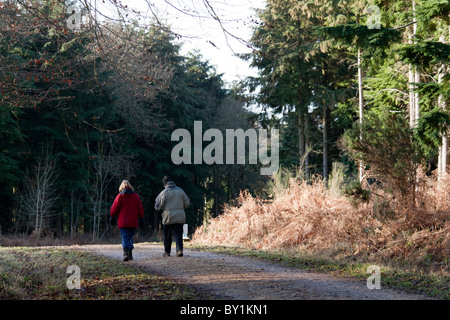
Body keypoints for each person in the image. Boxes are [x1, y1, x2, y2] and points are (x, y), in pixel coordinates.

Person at [154, 176, 190, 257]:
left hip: (168, 216)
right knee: (178, 234)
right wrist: (181, 208)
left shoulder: (164, 192)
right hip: (179, 216)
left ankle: (167, 252)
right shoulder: (181, 191)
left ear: (165, 184)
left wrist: (160, 209)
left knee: (167, 234)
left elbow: (158, 205)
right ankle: (179, 250)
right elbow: (187, 202)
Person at [110, 180, 144, 261]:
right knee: (130, 237)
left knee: (125, 236)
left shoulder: (120, 196)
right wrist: (141, 218)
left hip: (123, 221)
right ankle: (130, 252)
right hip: (133, 221)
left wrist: (112, 216)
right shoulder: (135, 196)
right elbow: (140, 208)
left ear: (121, 187)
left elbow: (114, 208)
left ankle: (126, 252)